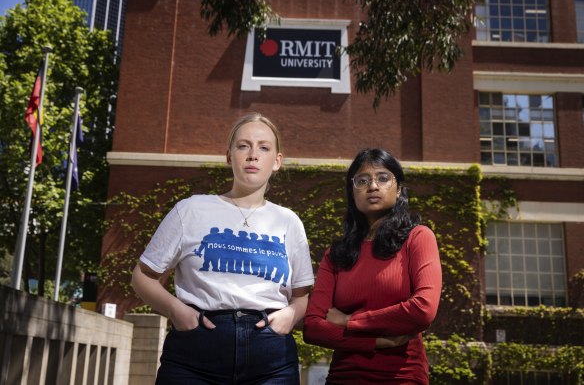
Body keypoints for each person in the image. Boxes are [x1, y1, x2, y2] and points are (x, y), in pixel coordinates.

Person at [132, 113, 315, 384]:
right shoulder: (191, 210)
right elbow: (142, 277)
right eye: (243, 146)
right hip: (195, 353)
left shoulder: (288, 221)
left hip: (271, 360)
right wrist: (175, 309)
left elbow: (302, 297)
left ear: (277, 161)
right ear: (229, 156)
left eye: (264, 147)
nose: (253, 155)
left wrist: (291, 314)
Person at [303, 148, 442, 385]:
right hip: (344, 376)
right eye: (362, 180)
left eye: (383, 178)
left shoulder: (418, 238)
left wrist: (349, 321)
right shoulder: (336, 253)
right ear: (352, 192)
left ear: (398, 190)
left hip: (402, 376)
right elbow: (313, 327)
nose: (373, 186)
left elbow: (423, 310)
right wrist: (373, 341)